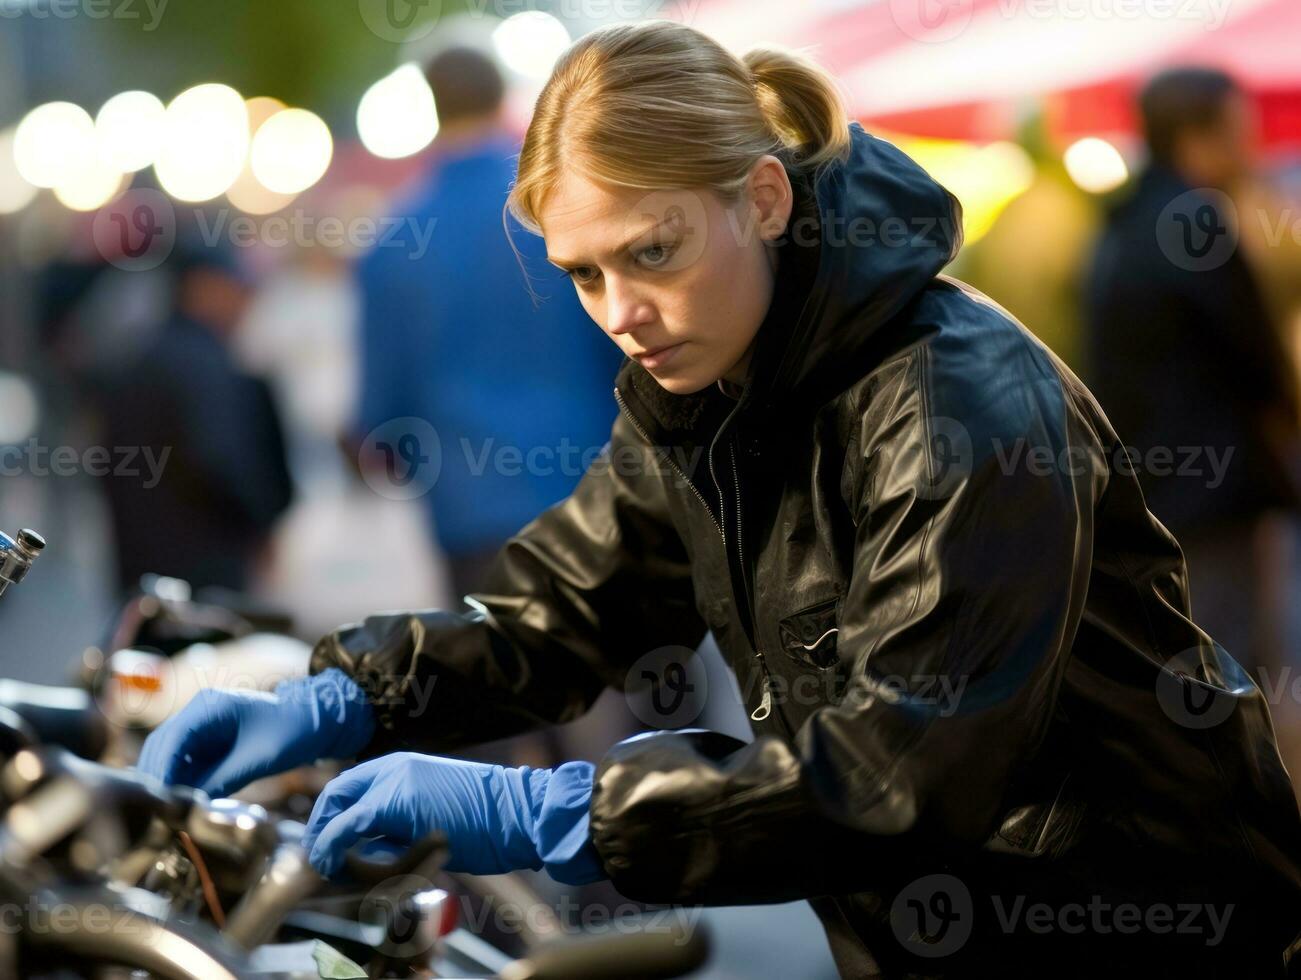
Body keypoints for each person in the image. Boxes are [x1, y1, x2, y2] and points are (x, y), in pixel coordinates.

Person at [139, 23, 1301, 977]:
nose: (618, 311)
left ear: (760, 197)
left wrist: (557, 810)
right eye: (582, 273)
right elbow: (564, 604)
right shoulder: (704, 375)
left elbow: (903, 770)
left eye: (651, 251)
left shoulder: (954, 397)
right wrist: (339, 695)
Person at [353, 45, 623, 602]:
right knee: (640, 675)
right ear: (503, 97)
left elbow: (382, 406)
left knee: (503, 678)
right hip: (602, 487)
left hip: (468, 505)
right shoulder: (566, 208)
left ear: (432, 106)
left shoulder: (393, 241)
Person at [1085, 67, 1301, 677]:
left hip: (1157, 484)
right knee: (1229, 664)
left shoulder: (1123, 220)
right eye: (1239, 131)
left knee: (1194, 652)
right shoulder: (1193, 223)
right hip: (1214, 487)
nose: (1250, 148)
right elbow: (1253, 355)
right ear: (1196, 138)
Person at [94, 241, 293, 594]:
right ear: (203, 286)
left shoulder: (140, 356)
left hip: (143, 572)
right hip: (204, 572)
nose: (244, 304)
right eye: (237, 289)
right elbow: (222, 461)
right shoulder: (203, 364)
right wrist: (259, 524)